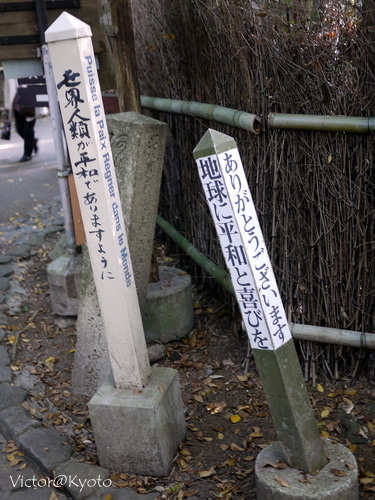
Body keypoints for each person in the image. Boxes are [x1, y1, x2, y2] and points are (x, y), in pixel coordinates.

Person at [12, 89, 39, 162]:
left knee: (27, 130)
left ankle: (27, 154)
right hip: (16, 107)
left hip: (30, 106)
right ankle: (32, 141)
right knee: (19, 129)